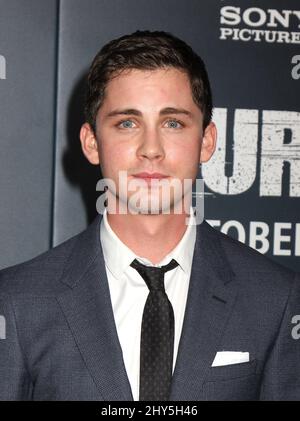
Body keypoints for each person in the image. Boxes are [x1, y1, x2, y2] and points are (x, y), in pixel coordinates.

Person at [0, 30, 299, 401]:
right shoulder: (17, 301)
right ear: (91, 142)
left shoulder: (276, 298)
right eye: (128, 123)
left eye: (172, 123)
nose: (151, 150)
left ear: (206, 141)